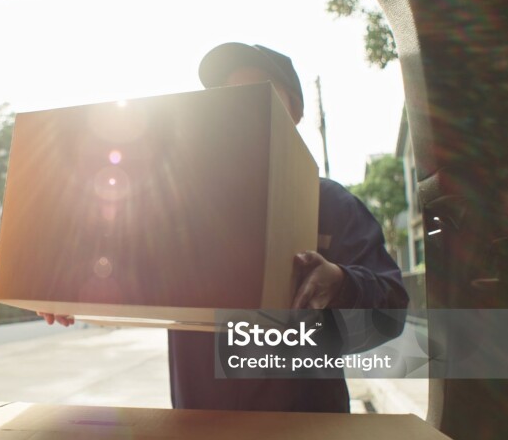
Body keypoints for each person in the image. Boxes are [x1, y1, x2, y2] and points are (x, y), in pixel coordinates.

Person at [41, 42, 408, 413]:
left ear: (293, 110)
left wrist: (341, 284)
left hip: (309, 434)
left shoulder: (329, 203)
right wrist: (70, 294)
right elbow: (128, 276)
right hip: (200, 431)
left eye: (257, 92)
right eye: (226, 97)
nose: (238, 107)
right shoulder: (180, 207)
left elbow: (391, 309)